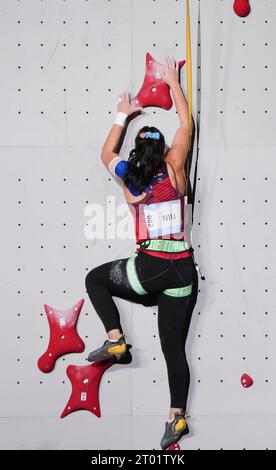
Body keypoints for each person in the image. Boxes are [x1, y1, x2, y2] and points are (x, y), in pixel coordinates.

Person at [85, 57, 198, 449]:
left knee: (95, 280)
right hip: (183, 270)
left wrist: (122, 114)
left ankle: (116, 340)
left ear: (137, 151)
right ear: (163, 147)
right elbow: (187, 124)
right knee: (174, 349)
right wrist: (173, 82)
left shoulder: (133, 177)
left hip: (149, 268)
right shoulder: (175, 165)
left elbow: (104, 154)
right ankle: (176, 417)